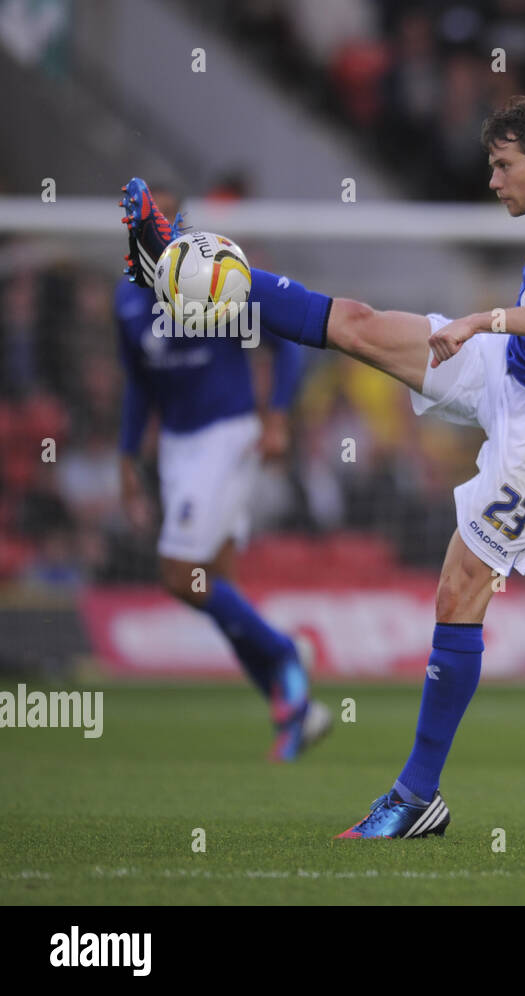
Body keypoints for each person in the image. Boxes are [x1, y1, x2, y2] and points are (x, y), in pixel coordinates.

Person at [122, 95, 525, 838]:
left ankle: (417, 796)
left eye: (503, 166)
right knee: (360, 324)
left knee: (460, 588)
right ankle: (178, 261)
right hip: (513, 371)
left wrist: (483, 319)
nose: (493, 181)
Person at [115, 188, 328, 761]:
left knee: (180, 573)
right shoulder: (128, 301)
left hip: (228, 436)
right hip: (177, 450)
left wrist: (277, 416)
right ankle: (294, 710)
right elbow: (138, 384)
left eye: (162, 218)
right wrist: (127, 456)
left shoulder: (209, 272)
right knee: (215, 582)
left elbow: (287, 343)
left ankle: (284, 651)